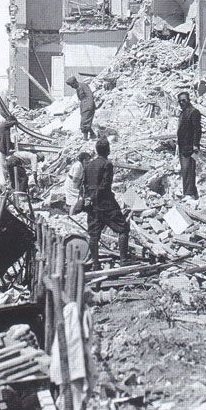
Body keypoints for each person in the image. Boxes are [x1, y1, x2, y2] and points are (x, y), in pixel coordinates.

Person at [82, 139, 130, 271]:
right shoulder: (107, 164)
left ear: (97, 150)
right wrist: (97, 197)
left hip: (92, 205)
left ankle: (95, 264)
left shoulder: (88, 165)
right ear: (108, 150)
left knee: (94, 234)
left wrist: (89, 199)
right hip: (106, 203)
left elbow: (84, 185)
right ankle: (123, 260)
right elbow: (105, 185)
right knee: (123, 228)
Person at [176, 92, 202, 200]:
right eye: (180, 101)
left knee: (189, 169)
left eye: (184, 100)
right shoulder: (183, 112)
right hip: (183, 146)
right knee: (185, 170)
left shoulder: (193, 112)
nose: (181, 102)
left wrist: (195, 145)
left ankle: (189, 193)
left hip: (190, 146)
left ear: (188, 100)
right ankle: (190, 192)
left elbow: (197, 130)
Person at [66, 76, 96, 140]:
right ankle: (92, 135)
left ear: (74, 83)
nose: (72, 87)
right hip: (84, 106)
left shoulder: (83, 86)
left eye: (72, 85)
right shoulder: (78, 88)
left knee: (84, 122)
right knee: (85, 121)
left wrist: (89, 107)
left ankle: (85, 139)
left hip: (88, 106)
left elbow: (90, 95)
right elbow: (81, 99)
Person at [0, 118, 17, 185]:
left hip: (3, 148)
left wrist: (11, 145)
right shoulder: (4, 125)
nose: (11, 126)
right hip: (2, 148)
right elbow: (11, 122)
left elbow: (7, 139)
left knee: (3, 165)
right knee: (1, 165)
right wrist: (15, 121)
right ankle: (2, 181)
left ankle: (4, 180)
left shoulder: (6, 128)